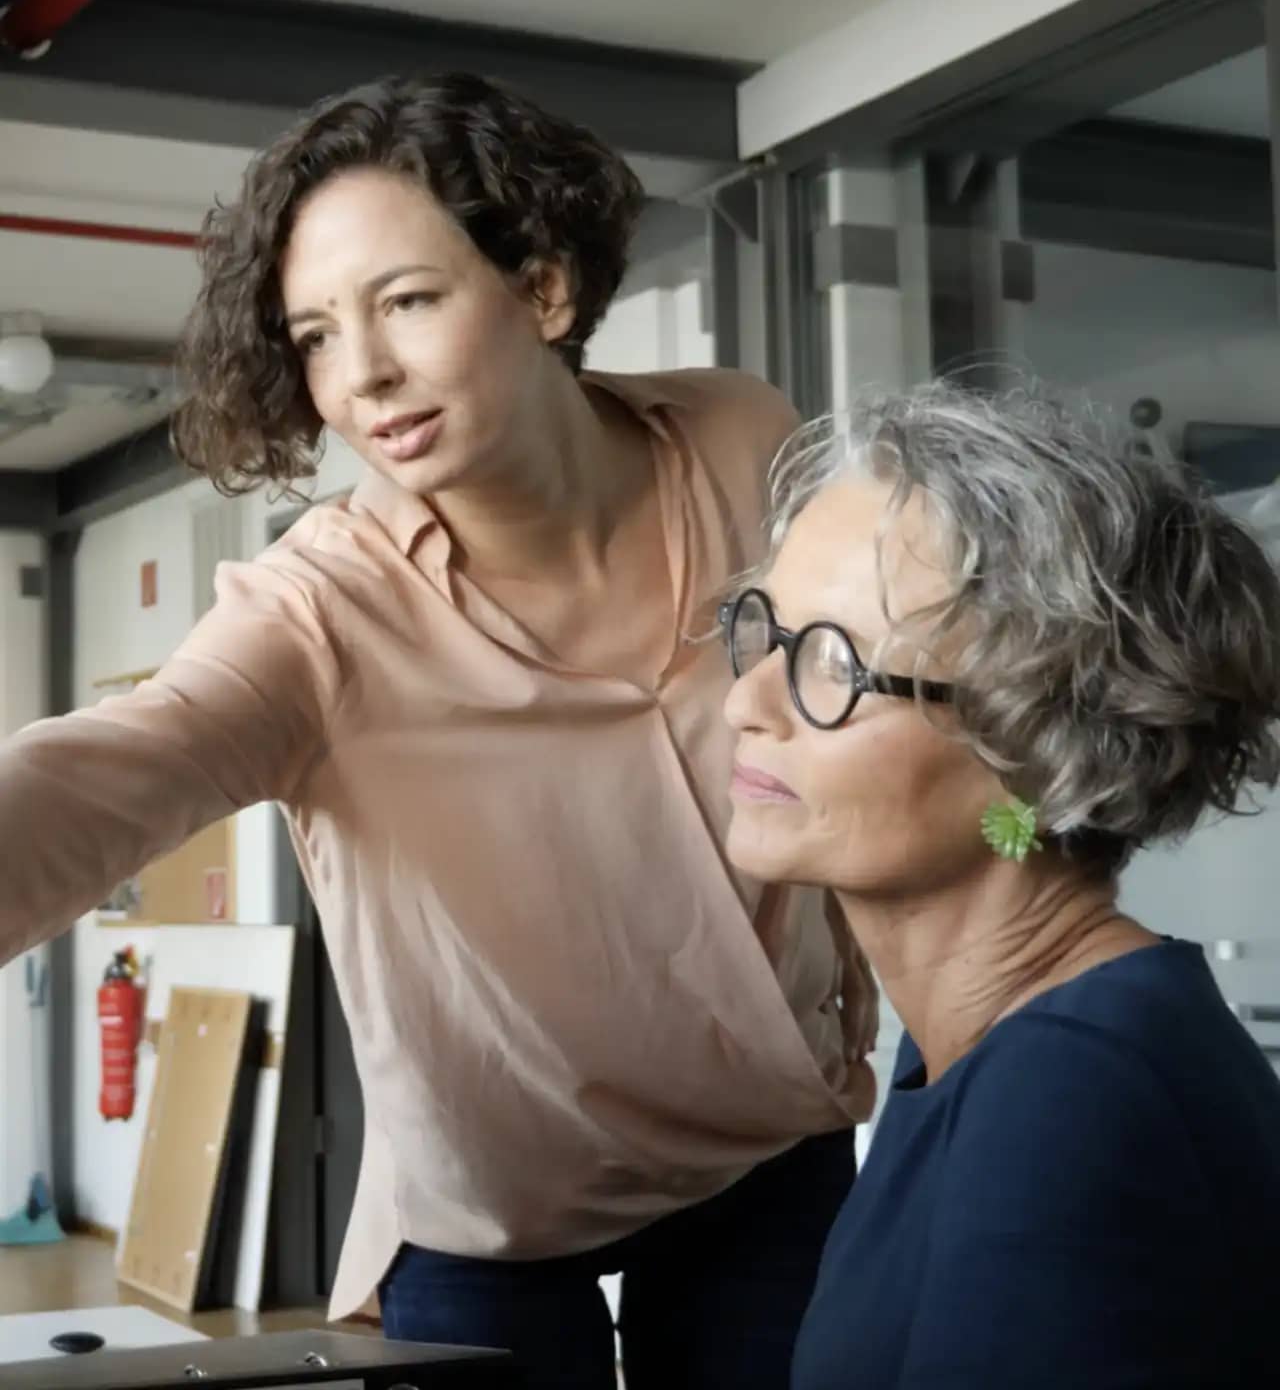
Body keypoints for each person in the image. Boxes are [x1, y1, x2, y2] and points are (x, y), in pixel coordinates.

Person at [0, 73, 875, 1389]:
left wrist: (1009, 847)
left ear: (544, 288)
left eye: (406, 301)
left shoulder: (739, 438)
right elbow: (122, 765)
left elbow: (908, 706)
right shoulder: (318, 609)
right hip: (486, 1210)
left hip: (768, 1151)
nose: (362, 376)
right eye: (315, 335)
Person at [720, 382, 1280, 1388]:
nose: (744, 705)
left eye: (834, 664)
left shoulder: (1071, 1088)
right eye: (766, 633)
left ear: (1031, 747)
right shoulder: (975, 1044)